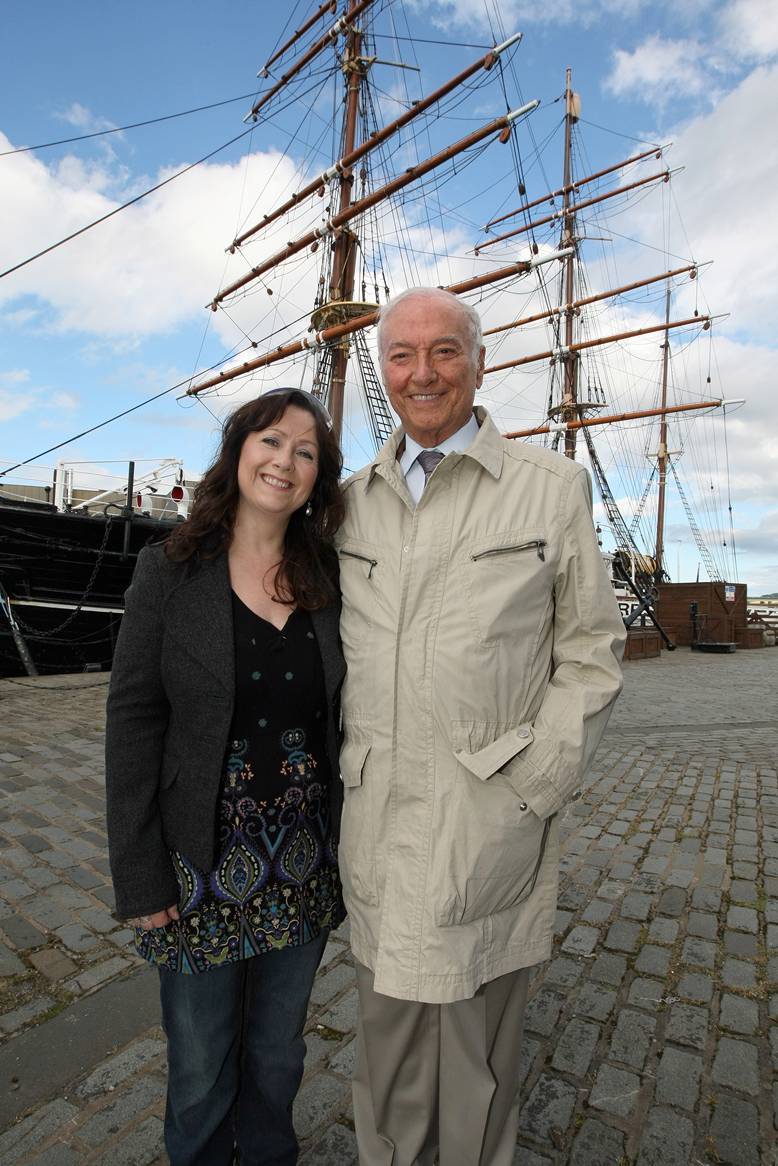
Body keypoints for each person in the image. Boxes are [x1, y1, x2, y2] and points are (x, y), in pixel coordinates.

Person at [335, 288, 625, 1166]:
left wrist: (535, 786)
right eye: (401, 355)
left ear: (479, 361)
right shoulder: (349, 505)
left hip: (485, 819)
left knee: (478, 1048)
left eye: (444, 352)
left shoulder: (548, 490)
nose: (422, 374)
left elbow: (591, 652)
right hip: (379, 816)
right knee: (386, 1041)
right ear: (381, 371)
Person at [105, 388, 346, 1166]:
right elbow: (134, 721)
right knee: (203, 1065)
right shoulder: (170, 570)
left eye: (305, 452)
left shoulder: (330, 578)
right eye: (272, 441)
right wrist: (140, 879)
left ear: (319, 476)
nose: (285, 462)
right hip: (199, 866)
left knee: (278, 1058)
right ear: (240, 447)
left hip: (303, 865)